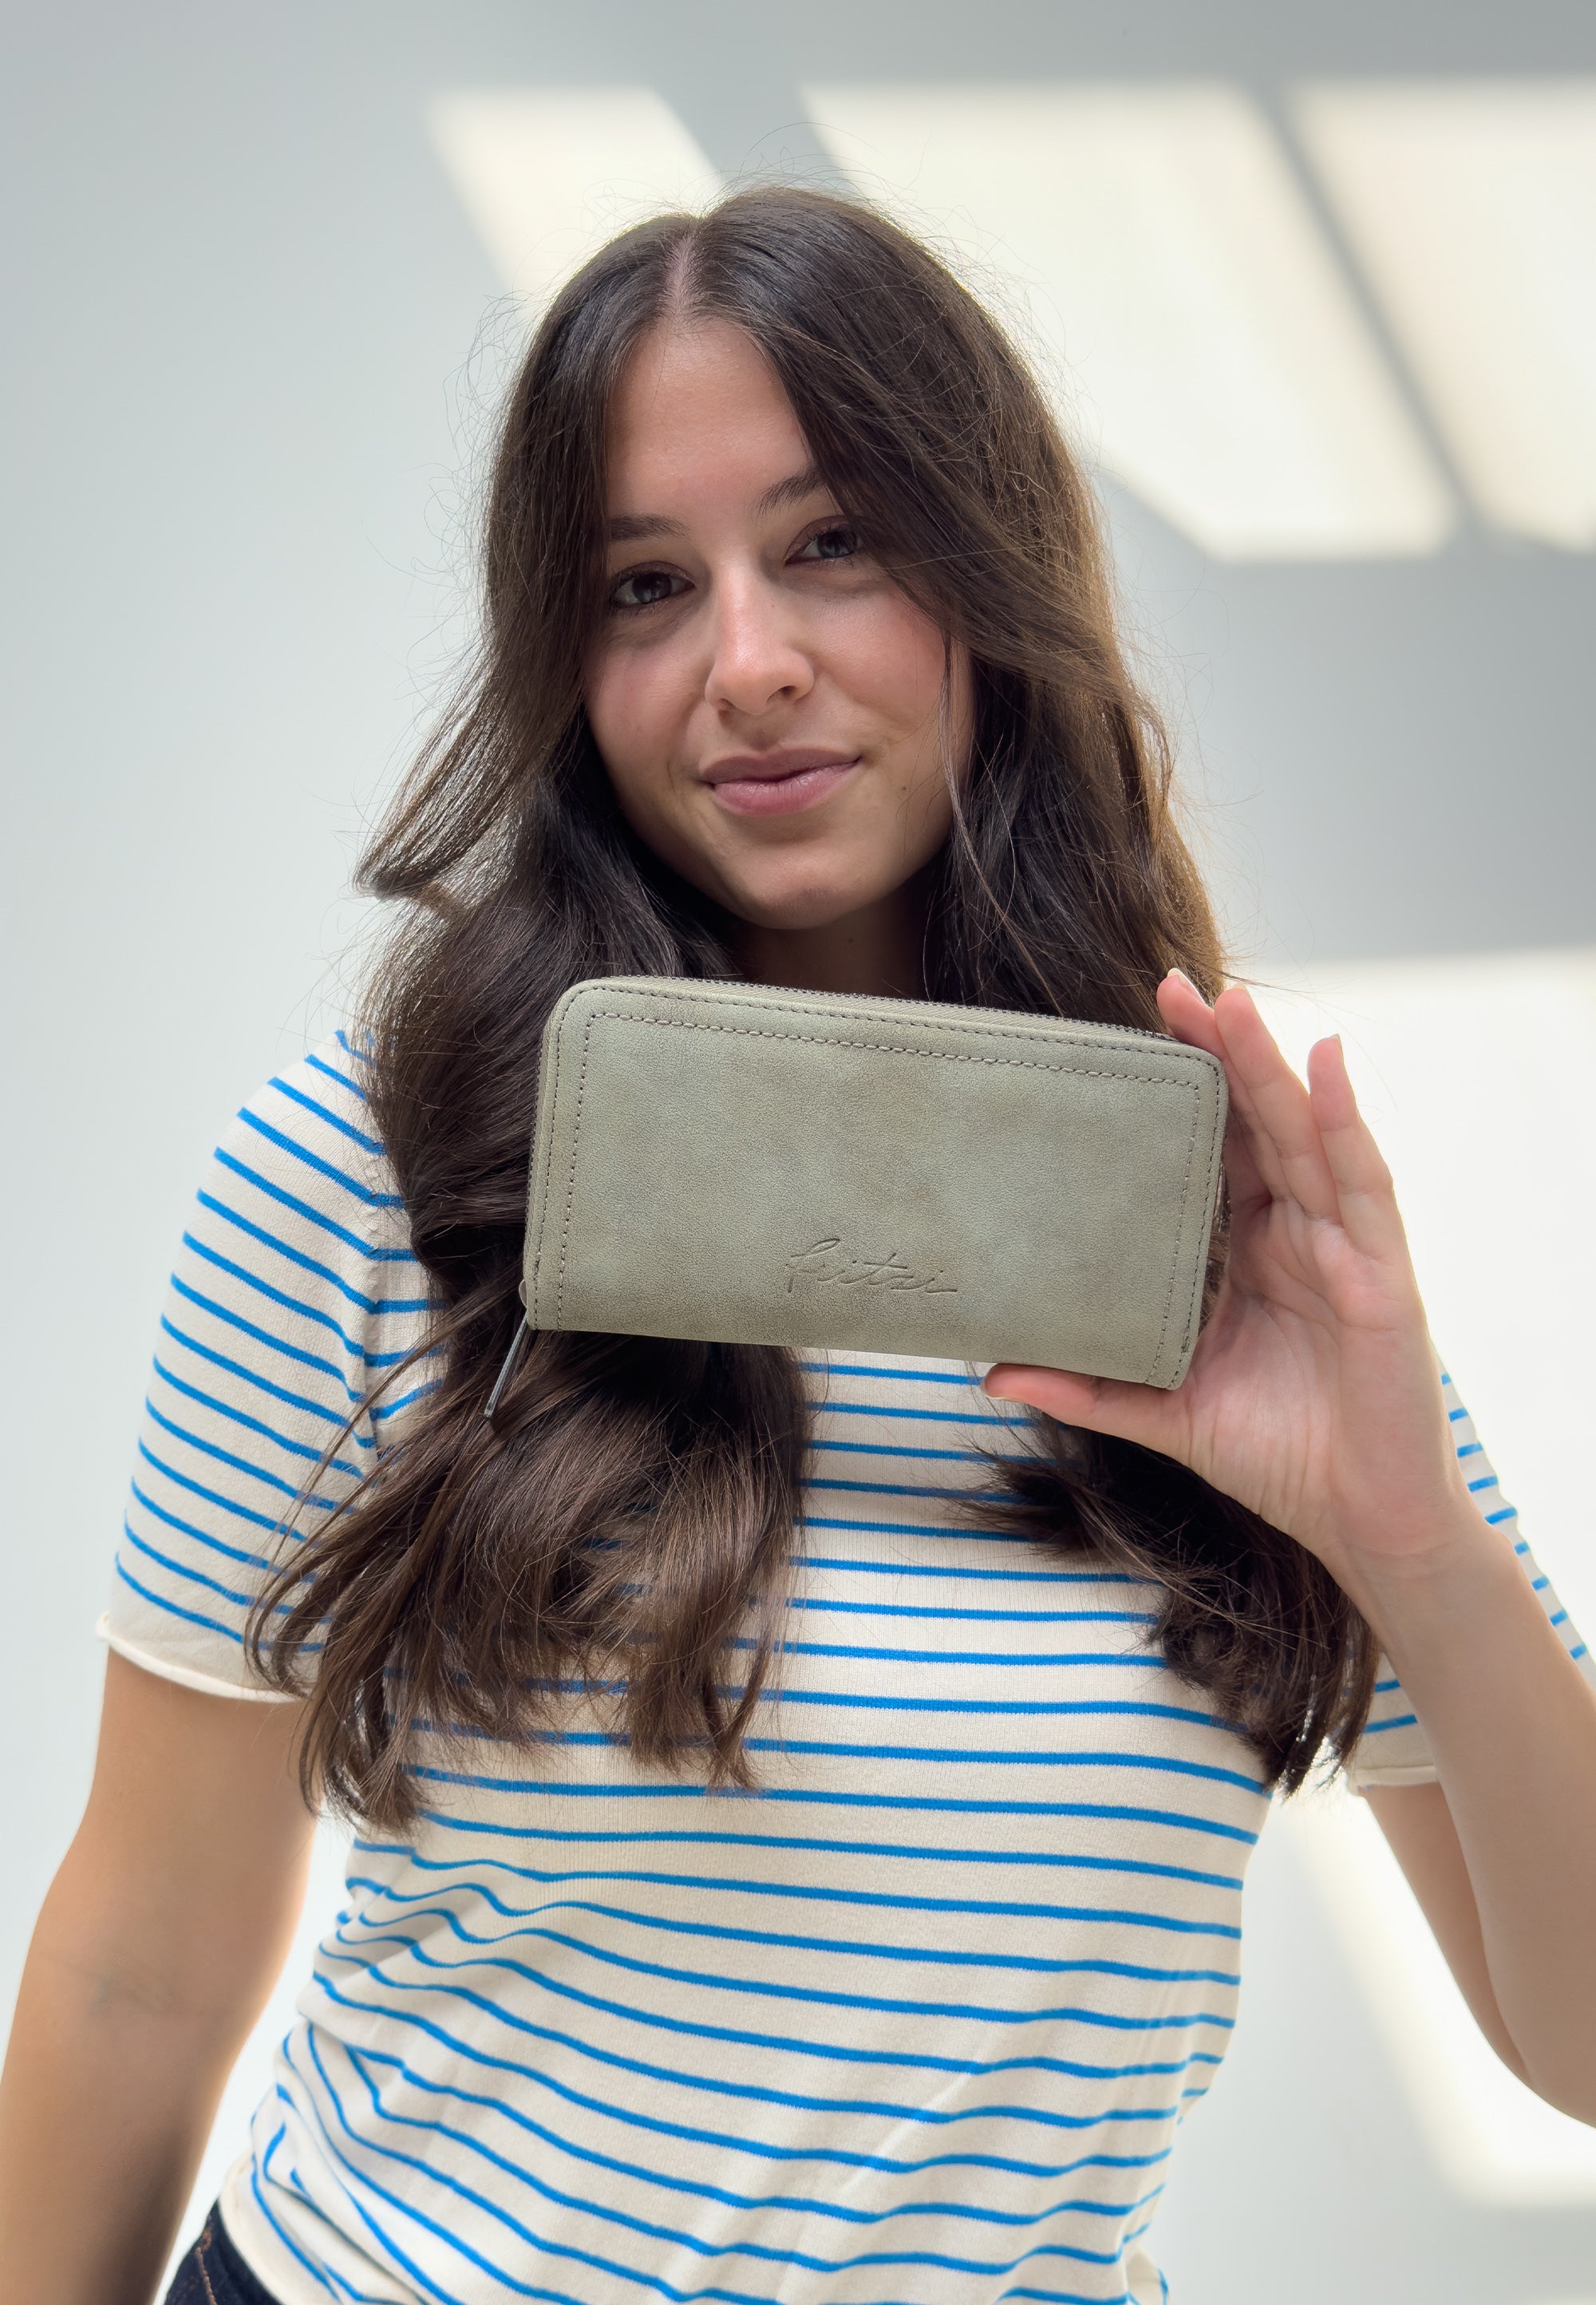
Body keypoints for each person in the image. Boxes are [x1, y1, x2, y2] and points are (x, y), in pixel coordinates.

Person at [1, 184, 1592, 2305]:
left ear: (991, 578)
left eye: (833, 542)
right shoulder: (379, 1172)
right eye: (646, 586)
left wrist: (1410, 1539)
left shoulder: (1224, 1231)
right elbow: (140, 1962)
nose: (747, 663)